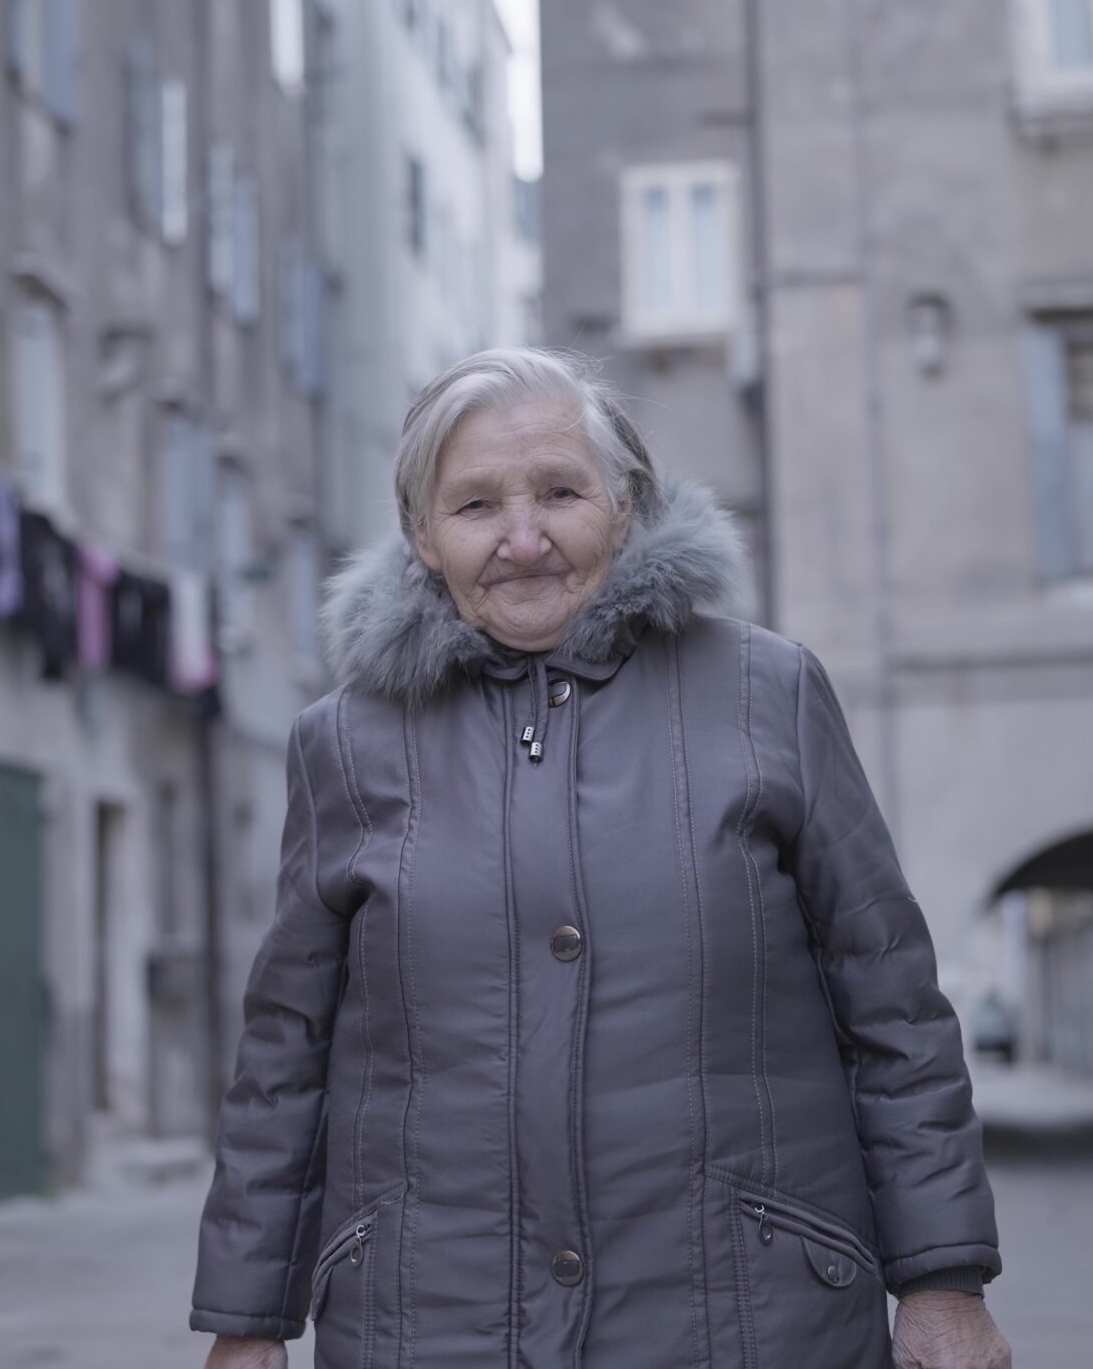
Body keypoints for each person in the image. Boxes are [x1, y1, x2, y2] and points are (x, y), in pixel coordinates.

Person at [190, 349, 1010, 1369]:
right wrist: (245, 1320)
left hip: (744, 1317)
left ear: (624, 506)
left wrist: (941, 1280)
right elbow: (286, 1060)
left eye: (560, 492)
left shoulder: (768, 694)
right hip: (429, 1323)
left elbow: (892, 1010)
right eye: (477, 505)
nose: (523, 539)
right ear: (420, 536)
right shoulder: (345, 743)